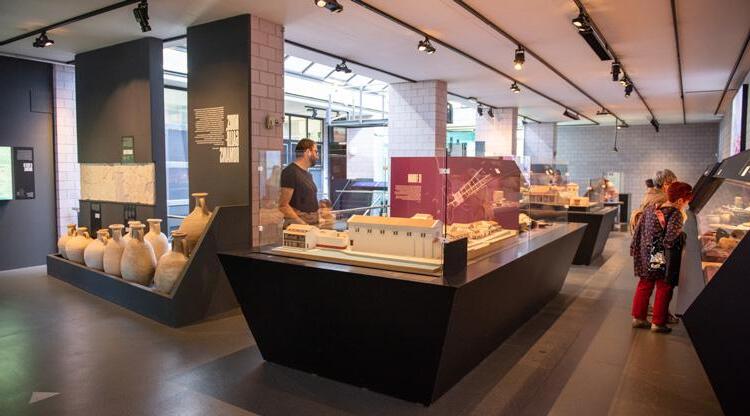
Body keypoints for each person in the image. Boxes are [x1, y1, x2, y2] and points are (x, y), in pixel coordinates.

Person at [630, 181, 693, 333]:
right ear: (680, 200)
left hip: (645, 251)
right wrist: (684, 236)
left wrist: (636, 249)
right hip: (659, 254)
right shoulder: (675, 213)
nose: (686, 205)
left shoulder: (652, 208)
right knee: (664, 286)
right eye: (686, 202)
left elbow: (638, 230)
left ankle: (638, 318)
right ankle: (658, 323)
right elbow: (670, 239)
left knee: (645, 283)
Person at [279, 138, 320, 227]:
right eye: (316, 152)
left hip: (311, 223)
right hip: (301, 225)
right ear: (308, 152)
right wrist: (303, 224)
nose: (317, 156)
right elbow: (283, 205)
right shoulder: (290, 172)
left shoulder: (308, 174)